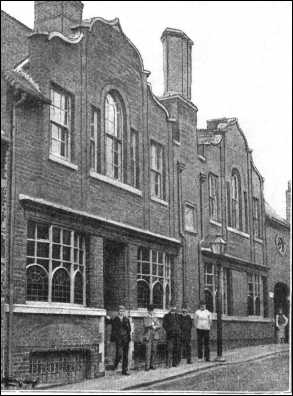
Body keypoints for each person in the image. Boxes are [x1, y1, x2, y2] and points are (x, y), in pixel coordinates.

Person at [107, 305, 131, 375]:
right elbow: (111, 324)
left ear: (124, 312)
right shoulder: (116, 319)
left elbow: (129, 329)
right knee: (119, 354)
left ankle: (124, 370)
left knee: (125, 355)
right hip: (119, 339)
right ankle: (115, 365)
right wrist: (108, 318)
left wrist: (127, 329)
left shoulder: (126, 319)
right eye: (120, 311)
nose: (121, 312)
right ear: (118, 312)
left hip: (126, 339)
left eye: (122, 311)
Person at [143, 304, 161, 371]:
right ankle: (147, 366)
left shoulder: (155, 317)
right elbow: (145, 325)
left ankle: (152, 365)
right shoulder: (146, 317)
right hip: (148, 335)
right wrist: (152, 324)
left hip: (155, 335)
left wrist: (155, 326)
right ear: (148, 310)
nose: (151, 311)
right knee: (148, 351)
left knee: (154, 350)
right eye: (150, 310)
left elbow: (159, 325)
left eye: (152, 310)